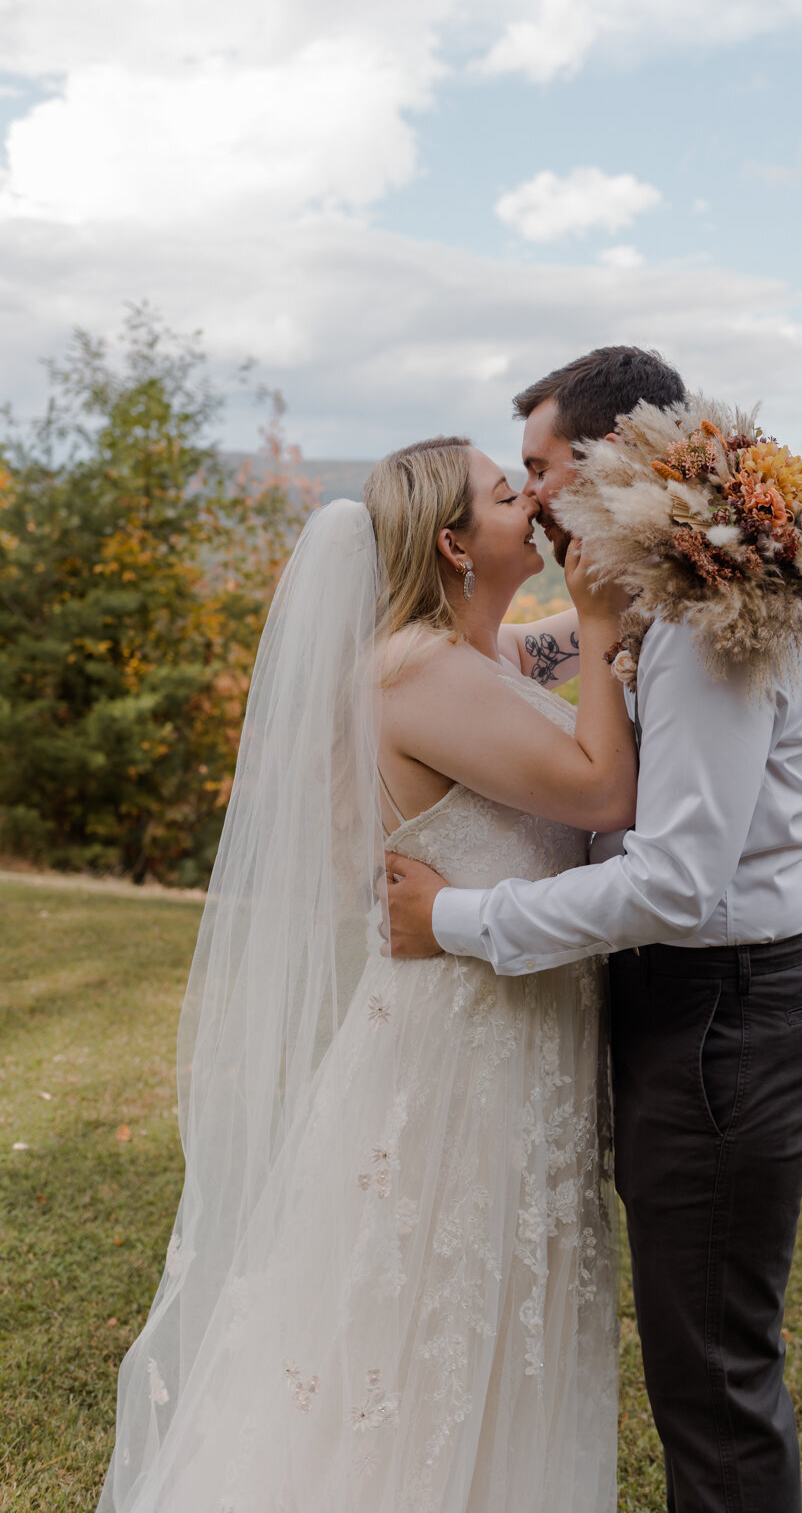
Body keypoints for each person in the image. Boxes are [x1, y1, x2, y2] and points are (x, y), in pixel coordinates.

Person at [97, 436, 635, 1513]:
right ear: (452, 543)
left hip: (511, 1041)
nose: (528, 498)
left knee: (488, 1346)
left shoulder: (476, 655)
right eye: (503, 491)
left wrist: (660, 571)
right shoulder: (416, 675)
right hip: (458, 1069)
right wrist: (609, 628)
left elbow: (543, 651)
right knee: (418, 1345)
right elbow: (598, 791)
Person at [386, 353, 802, 1513]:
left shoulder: (699, 629)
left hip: (725, 1019)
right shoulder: (647, 605)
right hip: (698, 1012)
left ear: (606, 462)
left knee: (713, 1390)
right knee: (703, 1374)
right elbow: (491, 653)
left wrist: (455, 916)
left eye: (539, 471)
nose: (534, 497)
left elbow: (675, 885)